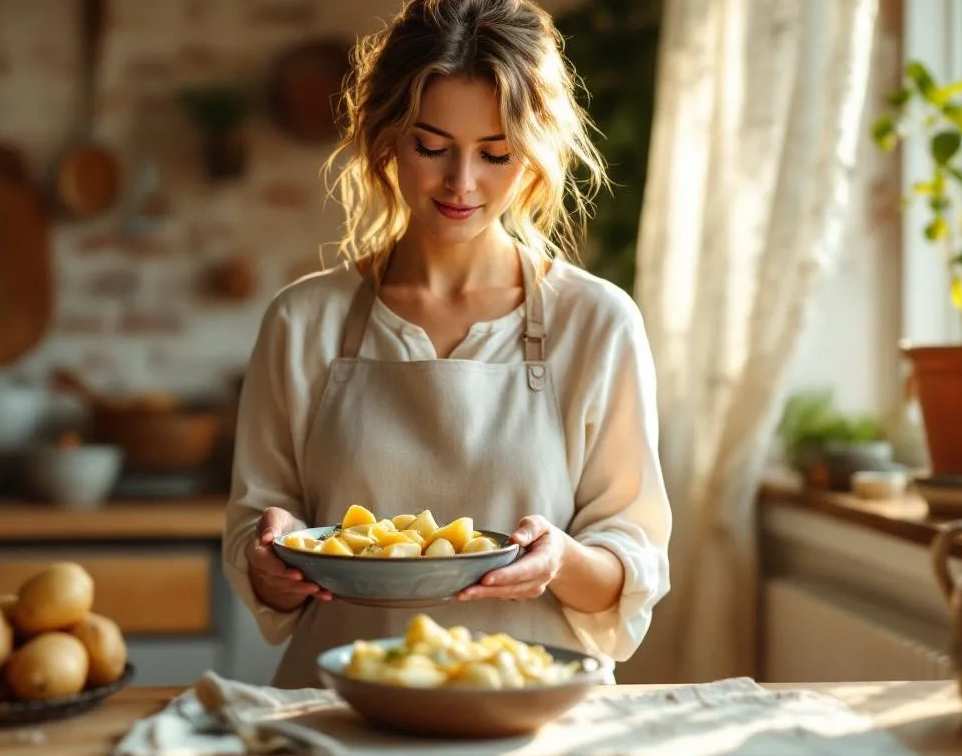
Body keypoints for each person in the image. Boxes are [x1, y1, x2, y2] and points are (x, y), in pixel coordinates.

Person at [222, 0, 672, 689]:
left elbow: (630, 563)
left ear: (534, 155)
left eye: (496, 154)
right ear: (386, 140)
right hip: (339, 716)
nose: (462, 184)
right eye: (431, 147)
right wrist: (270, 560)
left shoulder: (597, 322)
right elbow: (260, 551)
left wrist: (561, 560)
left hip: (533, 716)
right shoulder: (301, 322)